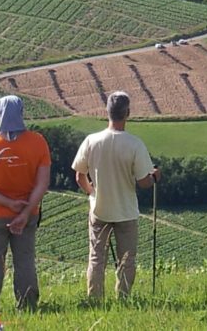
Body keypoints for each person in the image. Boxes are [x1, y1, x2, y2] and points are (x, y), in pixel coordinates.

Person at [71, 91, 160, 300]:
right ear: (127, 113)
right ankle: (123, 298)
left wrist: (92, 193)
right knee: (127, 259)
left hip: (99, 208)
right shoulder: (134, 144)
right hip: (126, 211)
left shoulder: (91, 141)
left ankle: (94, 299)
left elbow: (79, 176)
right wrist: (155, 177)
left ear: (107, 112)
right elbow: (143, 182)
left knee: (96, 258)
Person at [0, 95, 51, 311]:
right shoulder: (38, 142)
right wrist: (24, 212)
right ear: (22, 113)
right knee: (24, 260)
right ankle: (27, 305)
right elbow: (43, 183)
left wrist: (6, 203)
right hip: (28, 212)